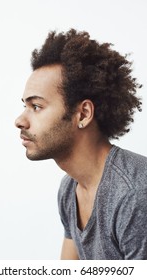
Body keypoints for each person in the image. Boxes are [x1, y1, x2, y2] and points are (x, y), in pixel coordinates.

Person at [15, 29, 147, 260]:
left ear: (83, 114)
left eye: (36, 106)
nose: (20, 120)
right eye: (25, 106)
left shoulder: (134, 195)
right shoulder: (69, 190)